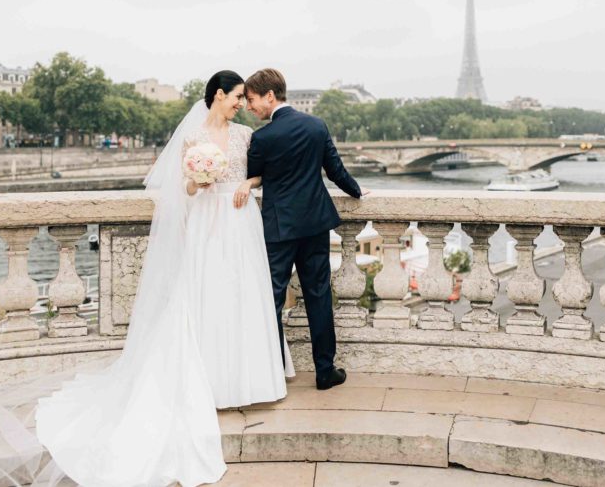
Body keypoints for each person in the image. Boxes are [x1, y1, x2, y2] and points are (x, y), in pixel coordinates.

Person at [32, 70, 290, 487]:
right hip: (206, 224)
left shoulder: (246, 137)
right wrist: (197, 179)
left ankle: (247, 381)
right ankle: (213, 385)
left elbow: (262, 173)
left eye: (245, 98)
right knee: (206, 296)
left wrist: (247, 181)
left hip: (240, 220)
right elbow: (185, 192)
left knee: (241, 296)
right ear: (219, 95)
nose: (243, 103)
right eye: (238, 96)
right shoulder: (192, 139)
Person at [244, 68, 366, 391]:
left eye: (252, 100)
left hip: (279, 229)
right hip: (314, 224)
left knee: (270, 299)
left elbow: (253, 177)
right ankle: (325, 371)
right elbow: (336, 170)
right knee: (319, 296)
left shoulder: (262, 138)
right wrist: (357, 191)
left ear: (270, 96)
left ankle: (270, 373)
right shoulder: (316, 126)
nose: (249, 107)